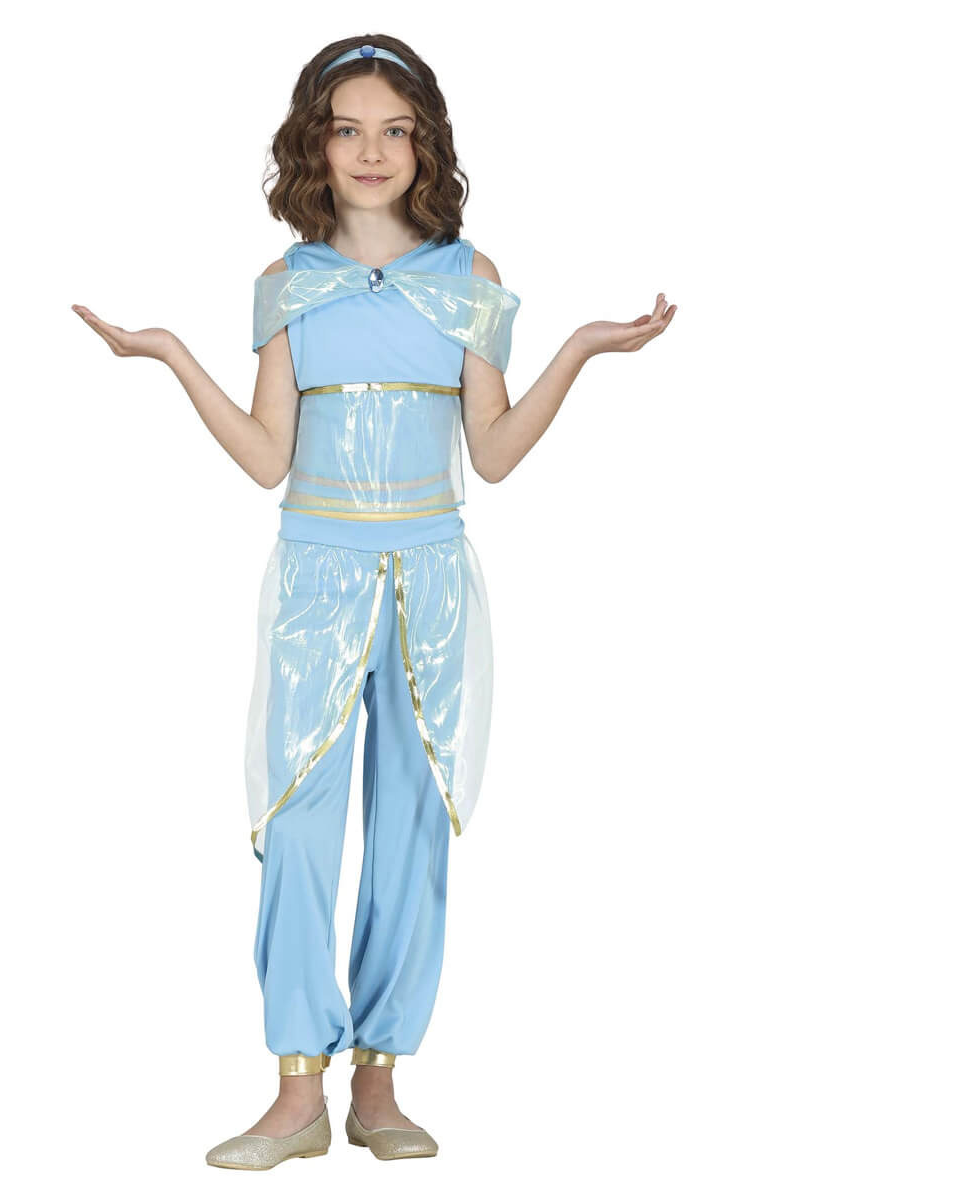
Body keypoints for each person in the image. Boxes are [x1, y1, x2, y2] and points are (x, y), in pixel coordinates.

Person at [73, 34, 676, 1170]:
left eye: (394, 130)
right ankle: (296, 1093)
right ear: (313, 143)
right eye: (346, 129)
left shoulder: (469, 276)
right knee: (300, 825)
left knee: (410, 821)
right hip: (318, 575)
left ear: (425, 145)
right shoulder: (288, 283)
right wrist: (172, 357)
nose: (370, 151)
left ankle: (380, 1083)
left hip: (429, 579)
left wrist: (582, 349)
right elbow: (267, 457)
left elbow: (493, 453)